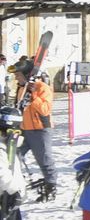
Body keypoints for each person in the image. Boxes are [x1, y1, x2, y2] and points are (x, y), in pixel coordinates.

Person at [17, 71, 56, 201]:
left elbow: (45, 110)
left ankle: (51, 186)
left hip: (40, 129)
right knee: (14, 156)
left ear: (26, 75)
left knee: (44, 160)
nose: (16, 78)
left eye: (18, 75)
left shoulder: (42, 87)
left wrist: (33, 94)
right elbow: (21, 108)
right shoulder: (21, 88)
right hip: (24, 129)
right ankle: (15, 183)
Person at [0, 107, 29, 220]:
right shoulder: (1, 149)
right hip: (4, 197)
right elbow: (2, 174)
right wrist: (13, 189)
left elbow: (15, 171)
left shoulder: (11, 147)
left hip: (13, 200)